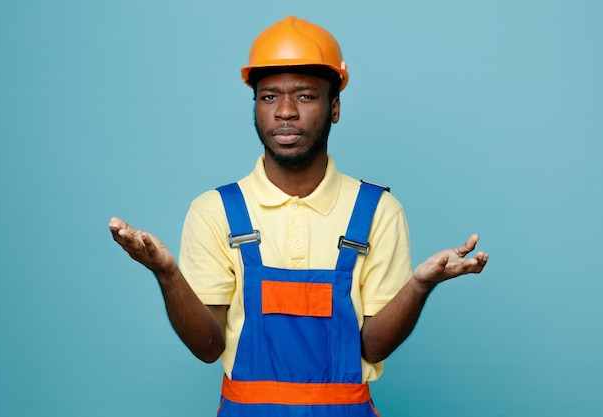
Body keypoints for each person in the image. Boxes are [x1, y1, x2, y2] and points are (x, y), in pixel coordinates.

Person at [109, 15, 489, 417]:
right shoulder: (215, 211)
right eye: (269, 96)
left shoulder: (377, 211)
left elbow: (372, 347)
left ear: (335, 107)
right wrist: (167, 275)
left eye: (305, 96)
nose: (285, 112)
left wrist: (419, 286)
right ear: (255, 106)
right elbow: (208, 348)